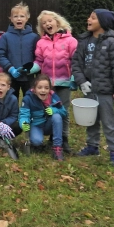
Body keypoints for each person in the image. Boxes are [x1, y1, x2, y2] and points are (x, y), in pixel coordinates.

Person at [71, 9, 114, 166]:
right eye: (89, 16)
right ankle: (92, 147)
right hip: (89, 90)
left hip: (105, 91)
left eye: (93, 17)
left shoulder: (112, 43)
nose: (88, 19)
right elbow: (76, 63)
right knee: (91, 120)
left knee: (109, 122)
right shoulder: (84, 41)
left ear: (102, 22)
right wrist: (81, 81)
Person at [34, 10, 77, 154]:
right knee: (49, 110)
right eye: (44, 23)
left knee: (63, 110)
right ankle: (53, 138)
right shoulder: (41, 42)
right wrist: (29, 69)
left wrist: (74, 78)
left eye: (49, 21)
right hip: (48, 85)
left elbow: (75, 60)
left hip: (65, 82)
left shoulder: (70, 40)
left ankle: (64, 139)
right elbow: (39, 61)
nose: (47, 24)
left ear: (57, 21)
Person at [19, 74, 69, 160]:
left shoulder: (53, 97)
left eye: (46, 88)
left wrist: (54, 110)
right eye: (40, 87)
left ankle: (57, 148)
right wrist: (23, 123)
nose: (43, 90)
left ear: (50, 89)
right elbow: (24, 114)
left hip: (49, 125)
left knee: (57, 116)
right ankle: (34, 141)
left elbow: (64, 112)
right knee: (37, 141)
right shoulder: (28, 99)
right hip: (36, 125)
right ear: (34, 89)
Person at [0, 2, 40, 99]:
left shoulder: (34, 37)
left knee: (30, 101)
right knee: (11, 101)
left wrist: (32, 69)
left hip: (28, 77)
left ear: (27, 17)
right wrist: (10, 69)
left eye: (22, 16)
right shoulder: (5, 37)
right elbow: (0, 54)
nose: (19, 18)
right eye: (15, 16)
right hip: (11, 77)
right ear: (11, 19)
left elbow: (38, 56)